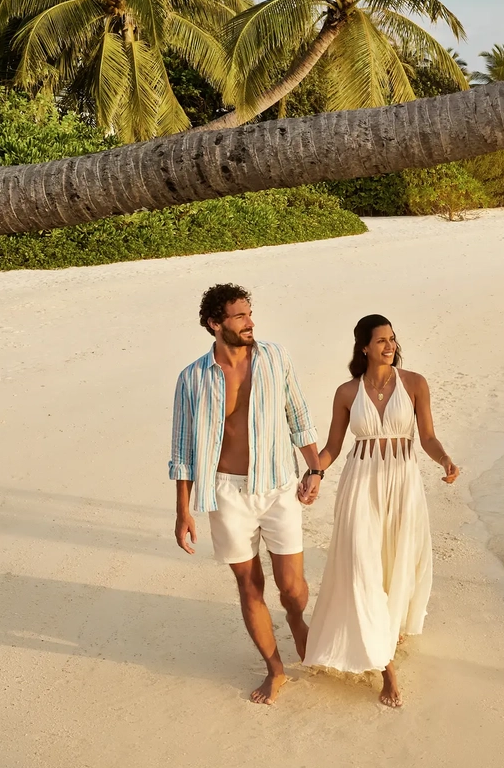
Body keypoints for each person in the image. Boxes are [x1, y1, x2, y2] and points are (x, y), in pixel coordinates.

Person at [169, 284, 325, 705]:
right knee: (249, 586)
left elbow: (299, 415)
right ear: (214, 324)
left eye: (250, 313)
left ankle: (296, 620)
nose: (250, 322)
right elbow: (182, 452)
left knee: (292, 588)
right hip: (226, 492)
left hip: (277, 486)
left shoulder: (275, 358)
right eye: (239, 317)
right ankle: (275, 669)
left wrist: (314, 469)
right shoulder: (192, 379)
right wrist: (184, 512)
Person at [302, 314, 459, 708]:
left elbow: (427, 437)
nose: (390, 346)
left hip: (403, 485)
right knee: (362, 567)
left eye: (392, 339)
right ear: (364, 347)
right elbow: (334, 447)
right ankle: (386, 666)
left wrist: (445, 460)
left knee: (396, 563)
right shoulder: (346, 393)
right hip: (361, 486)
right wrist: (314, 473)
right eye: (381, 340)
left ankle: (387, 631)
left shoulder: (415, 384)